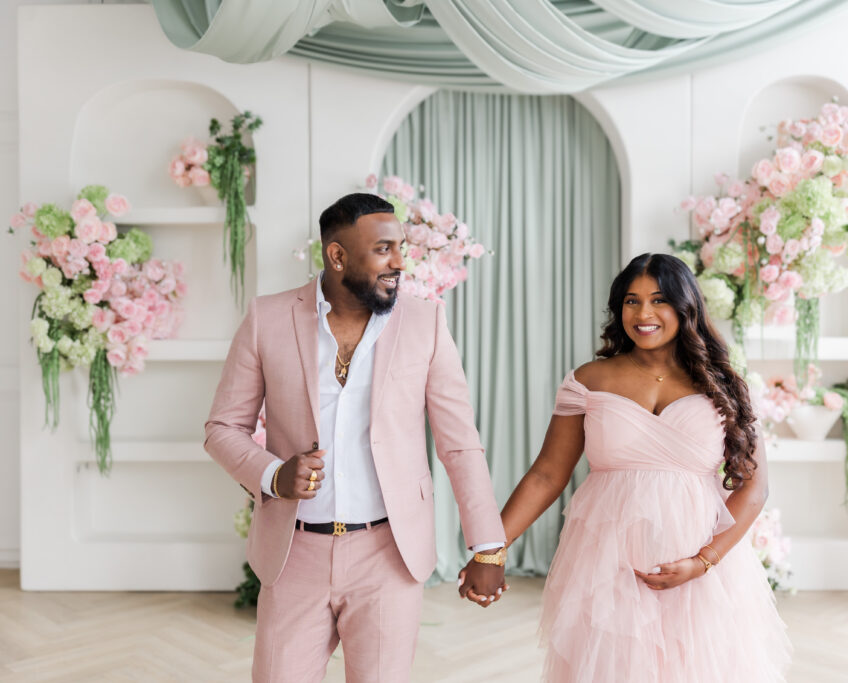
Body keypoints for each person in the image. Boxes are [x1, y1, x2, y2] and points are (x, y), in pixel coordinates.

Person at [205, 193, 507, 683]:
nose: (399, 262)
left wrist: (488, 547)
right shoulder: (268, 318)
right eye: (384, 249)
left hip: (388, 554)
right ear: (338, 255)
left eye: (400, 248)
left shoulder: (425, 323)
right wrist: (273, 475)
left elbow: (459, 443)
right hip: (293, 553)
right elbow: (222, 428)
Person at [470, 253, 791, 681]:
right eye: (630, 301)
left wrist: (703, 561)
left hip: (701, 571)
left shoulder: (724, 384)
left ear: (685, 306)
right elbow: (547, 474)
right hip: (607, 567)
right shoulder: (590, 379)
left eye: (658, 300)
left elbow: (755, 488)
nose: (643, 314)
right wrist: (492, 549)